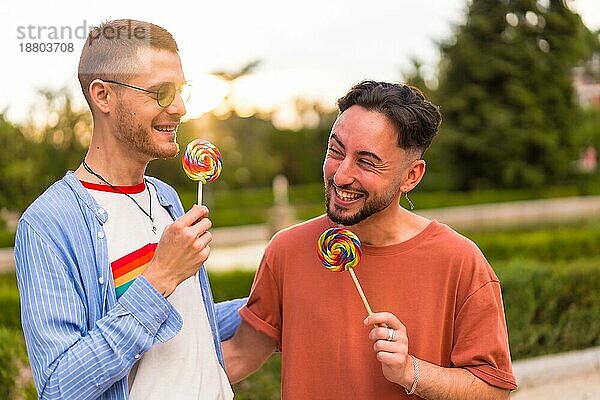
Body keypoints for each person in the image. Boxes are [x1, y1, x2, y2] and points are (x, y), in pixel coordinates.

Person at [223, 80, 517, 399]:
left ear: (411, 177)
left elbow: (494, 391)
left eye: (366, 162)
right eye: (336, 151)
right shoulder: (286, 250)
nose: (341, 175)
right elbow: (241, 354)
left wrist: (410, 372)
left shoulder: (460, 261)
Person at [14, 19, 242, 400]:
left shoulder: (167, 197)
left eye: (182, 91)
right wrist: (159, 278)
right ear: (103, 96)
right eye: (162, 92)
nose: (181, 108)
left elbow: (186, 330)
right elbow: (58, 386)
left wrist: (266, 302)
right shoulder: (49, 225)